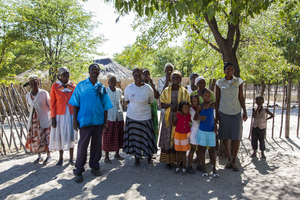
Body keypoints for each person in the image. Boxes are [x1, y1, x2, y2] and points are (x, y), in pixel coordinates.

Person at [69, 63, 113, 183]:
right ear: (89, 71)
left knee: (97, 145)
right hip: (84, 120)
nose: (95, 71)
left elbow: (106, 106)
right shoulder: (81, 86)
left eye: (97, 69)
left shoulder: (101, 87)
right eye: (92, 69)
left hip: (98, 121)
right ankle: (78, 169)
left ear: (99, 72)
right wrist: (74, 121)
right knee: (83, 145)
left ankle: (94, 166)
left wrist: (105, 122)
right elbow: (75, 103)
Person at [215, 62, 248, 172]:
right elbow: (217, 100)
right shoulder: (219, 83)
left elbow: (241, 97)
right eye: (228, 69)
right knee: (225, 136)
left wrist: (245, 111)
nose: (230, 70)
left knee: (236, 137)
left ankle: (234, 160)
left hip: (236, 112)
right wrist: (217, 115)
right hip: (224, 112)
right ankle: (229, 159)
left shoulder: (238, 81)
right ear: (224, 71)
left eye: (232, 69)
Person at [123, 68, 157, 166]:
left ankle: (149, 158)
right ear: (133, 77)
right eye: (135, 75)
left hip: (146, 117)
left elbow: (151, 101)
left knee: (147, 138)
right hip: (132, 117)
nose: (137, 77)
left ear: (142, 76)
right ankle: (136, 159)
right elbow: (127, 101)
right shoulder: (129, 88)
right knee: (135, 139)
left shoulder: (148, 88)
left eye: (139, 75)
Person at [159, 70, 190, 170]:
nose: (175, 79)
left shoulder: (184, 91)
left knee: (180, 138)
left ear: (181, 79)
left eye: (177, 78)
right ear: (170, 79)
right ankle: (168, 161)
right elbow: (161, 104)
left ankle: (180, 161)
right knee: (168, 139)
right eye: (173, 78)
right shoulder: (166, 90)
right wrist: (169, 105)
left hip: (180, 118)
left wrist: (180, 111)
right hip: (169, 117)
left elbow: (187, 105)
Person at [49, 67, 77, 166]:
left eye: (67, 74)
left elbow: (76, 101)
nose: (66, 76)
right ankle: (61, 158)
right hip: (59, 115)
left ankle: (71, 157)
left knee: (71, 135)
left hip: (71, 114)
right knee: (61, 135)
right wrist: (53, 118)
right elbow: (52, 102)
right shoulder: (55, 86)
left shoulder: (73, 86)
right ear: (59, 76)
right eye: (64, 75)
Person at [25, 75, 52, 164]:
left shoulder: (44, 93)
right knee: (36, 137)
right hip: (33, 121)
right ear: (29, 85)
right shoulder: (28, 96)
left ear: (38, 83)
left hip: (44, 118)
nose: (34, 85)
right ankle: (39, 156)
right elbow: (29, 107)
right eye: (32, 83)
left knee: (45, 137)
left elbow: (50, 106)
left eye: (35, 83)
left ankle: (49, 156)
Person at [194, 88, 219, 178]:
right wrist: (200, 118)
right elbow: (195, 117)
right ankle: (204, 168)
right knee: (202, 150)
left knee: (212, 149)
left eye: (208, 96)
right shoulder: (200, 106)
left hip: (211, 130)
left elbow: (213, 117)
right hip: (202, 130)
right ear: (202, 96)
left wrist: (216, 125)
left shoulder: (212, 105)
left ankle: (214, 169)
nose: (207, 97)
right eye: (205, 95)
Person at [103, 73, 124, 164]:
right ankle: (106, 156)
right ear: (108, 82)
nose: (113, 82)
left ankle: (117, 153)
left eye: (114, 80)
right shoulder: (105, 91)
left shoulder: (119, 91)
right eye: (111, 80)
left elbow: (120, 101)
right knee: (108, 136)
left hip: (118, 116)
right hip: (109, 117)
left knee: (119, 135)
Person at [169, 100, 191, 175]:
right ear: (181, 109)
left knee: (184, 152)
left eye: (188, 108)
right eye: (185, 108)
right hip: (177, 135)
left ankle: (184, 167)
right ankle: (177, 166)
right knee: (177, 152)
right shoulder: (177, 115)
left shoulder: (189, 116)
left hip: (185, 135)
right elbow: (174, 124)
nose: (187, 110)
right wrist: (171, 121)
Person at [142, 68, 160, 142]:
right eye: (145, 74)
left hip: (152, 107)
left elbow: (157, 96)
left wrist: (151, 83)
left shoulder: (152, 83)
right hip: (143, 107)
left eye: (148, 74)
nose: (147, 75)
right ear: (142, 75)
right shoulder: (140, 84)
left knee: (153, 124)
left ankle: (153, 143)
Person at [186, 95, 201, 174]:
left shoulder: (200, 108)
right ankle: (189, 166)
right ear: (191, 102)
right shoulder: (190, 110)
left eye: (197, 100)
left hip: (200, 130)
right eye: (194, 101)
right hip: (194, 130)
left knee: (199, 149)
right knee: (193, 148)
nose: (196, 102)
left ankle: (199, 164)